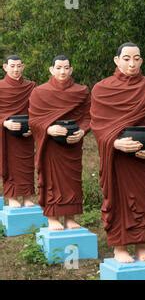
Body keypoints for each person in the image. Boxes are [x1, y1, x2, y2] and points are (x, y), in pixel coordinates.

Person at [90, 42, 145, 263]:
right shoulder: (102, 89)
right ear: (117, 61)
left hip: (143, 157)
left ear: (142, 60)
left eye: (136, 58)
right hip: (116, 158)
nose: (132, 63)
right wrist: (114, 143)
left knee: (144, 199)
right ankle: (120, 246)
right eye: (126, 58)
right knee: (117, 198)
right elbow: (98, 125)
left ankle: (143, 244)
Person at [29, 55, 91, 230]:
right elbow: (33, 120)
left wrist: (82, 131)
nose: (62, 71)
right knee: (51, 180)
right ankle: (52, 217)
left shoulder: (81, 91)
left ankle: (70, 217)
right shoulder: (40, 92)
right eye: (59, 68)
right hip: (50, 146)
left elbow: (89, 116)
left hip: (72, 144)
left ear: (71, 69)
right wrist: (48, 129)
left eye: (66, 68)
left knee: (72, 181)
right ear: (51, 69)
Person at [0, 55, 35, 208]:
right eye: (12, 66)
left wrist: (34, 127)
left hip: (26, 133)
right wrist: (4, 122)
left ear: (23, 67)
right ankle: (12, 195)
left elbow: (38, 110)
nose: (16, 69)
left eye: (19, 66)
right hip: (7, 135)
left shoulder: (31, 86)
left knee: (27, 164)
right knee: (10, 164)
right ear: (5, 67)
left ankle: (27, 195)